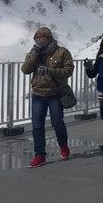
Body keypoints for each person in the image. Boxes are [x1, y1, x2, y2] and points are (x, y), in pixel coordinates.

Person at [21, 27, 74, 168]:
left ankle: (63, 145)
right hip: (38, 94)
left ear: (49, 37)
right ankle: (40, 154)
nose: (39, 40)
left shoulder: (62, 52)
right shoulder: (34, 54)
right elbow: (25, 69)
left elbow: (68, 71)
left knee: (57, 122)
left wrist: (51, 70)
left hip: (55, 94)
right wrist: (34, 52)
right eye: (36, 38)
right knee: (37, 125)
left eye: (41, 37)